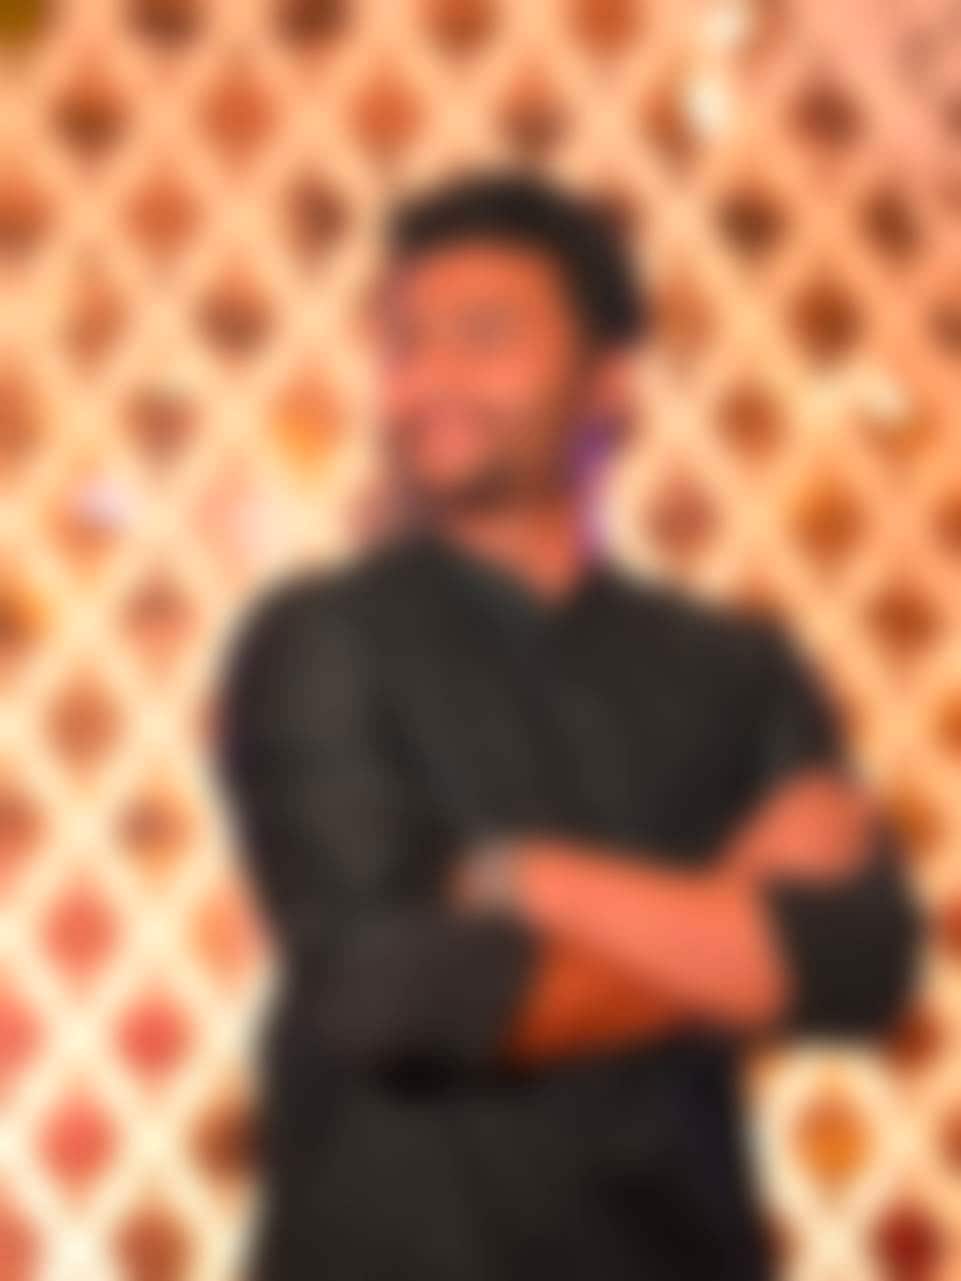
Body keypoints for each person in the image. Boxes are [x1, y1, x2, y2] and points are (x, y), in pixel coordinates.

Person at [213, 169, 923, 1281]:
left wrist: (520, 880)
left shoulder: (737, 670)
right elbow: (387, 993)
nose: (429, 377)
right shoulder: (319, 640)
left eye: (484, 335)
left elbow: (861, 965)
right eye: (405, 342)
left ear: (609, 381)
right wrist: (726, 917)